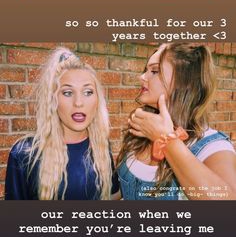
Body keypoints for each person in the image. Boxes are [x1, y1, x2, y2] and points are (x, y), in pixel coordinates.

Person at [117, 43, 236, 200]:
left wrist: (167, 139)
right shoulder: (140, 134)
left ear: (185, 82)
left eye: (154, 71)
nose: (142, 77)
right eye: (146, 70)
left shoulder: (212, 146)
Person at [5, 47, 119, 200]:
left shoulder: (101, 147)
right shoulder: (24, 154)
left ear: (97, 99)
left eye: (87, 92)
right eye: (67, 92)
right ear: (52, 99)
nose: (78, 103)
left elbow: (112, 196)